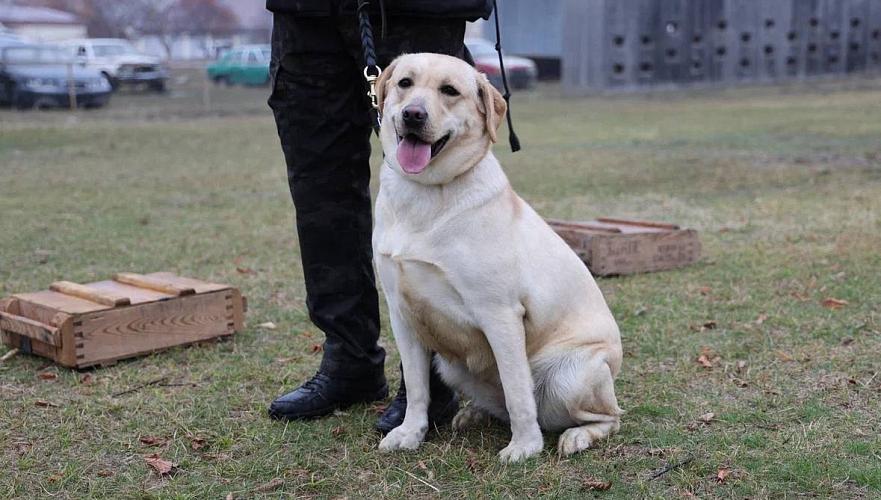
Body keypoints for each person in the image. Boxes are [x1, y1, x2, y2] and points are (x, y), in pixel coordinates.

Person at [265, 0, 494, 433]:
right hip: (305, 15)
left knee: (434, 181)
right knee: (320, 190)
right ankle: (348, 359)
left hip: (416, 11)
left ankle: (432, 379)